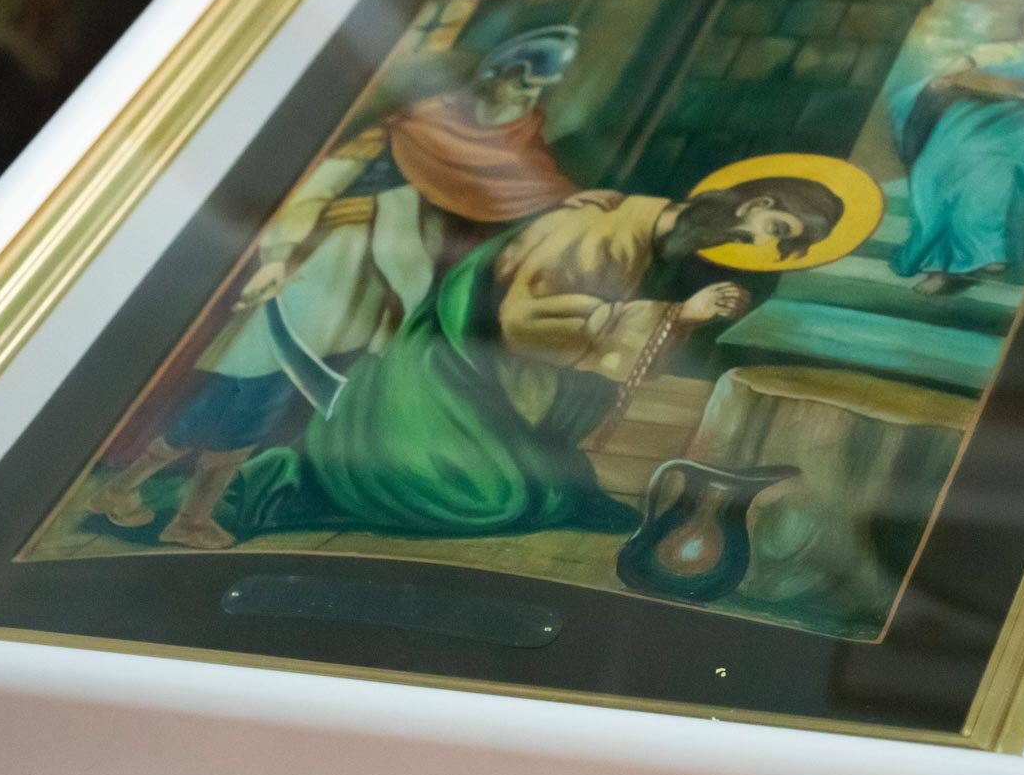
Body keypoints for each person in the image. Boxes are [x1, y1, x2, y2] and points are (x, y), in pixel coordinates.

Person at [86, 26, 584, 547]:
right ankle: (181, 514)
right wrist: (278, 258)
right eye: (522, 85)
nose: (527, 100)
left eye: (536, 92)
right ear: (496, 75)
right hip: (318, 273)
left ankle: (134, 495)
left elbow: (515, 202)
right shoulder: (407, 130)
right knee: (250, 392)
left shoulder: (506, 151)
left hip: (368, 292)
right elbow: (315, 192)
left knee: (249, 396)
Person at [166, 170, 846, 548]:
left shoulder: (634, 223)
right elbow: (522, 325)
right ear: (756, 202)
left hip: (481, 373)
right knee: (489, 499)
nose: (756, 247)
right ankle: (279, 483)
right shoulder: (601, 232)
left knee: (550, 486)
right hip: (437, 376)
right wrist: (676, 315)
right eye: (772, 230)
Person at [887, 2, 1024, 294]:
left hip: (1023, 124)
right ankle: (945, 255)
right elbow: (946, 76)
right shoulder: (994, 51)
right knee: (932, 172)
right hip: (967, 118)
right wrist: (946, 80)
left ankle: (979, 254)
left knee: (994, 173)